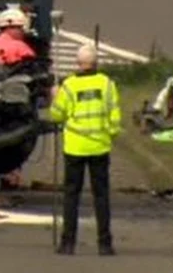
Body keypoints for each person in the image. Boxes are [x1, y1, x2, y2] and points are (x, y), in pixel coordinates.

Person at [49, 43, 121, 256]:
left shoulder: (69, 86)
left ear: (78, 63)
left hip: (75, 147)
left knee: (71, 195)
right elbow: (114, 114)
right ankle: (105, 243)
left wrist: (54, 96)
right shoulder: (106, 84)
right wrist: (110, 134)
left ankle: (68, 242)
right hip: (99, 146)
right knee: (101, 196)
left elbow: (57, 115)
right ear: (96, 62)